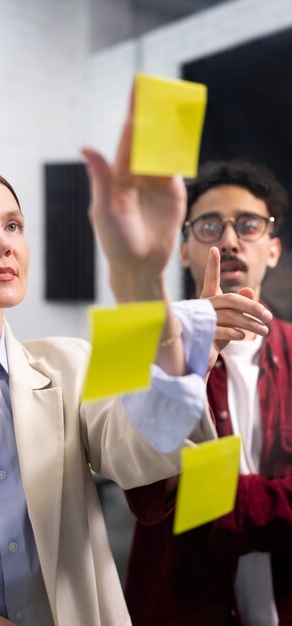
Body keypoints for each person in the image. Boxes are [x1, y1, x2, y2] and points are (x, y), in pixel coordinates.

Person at [0, 92, 271, 626]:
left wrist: (139, 282)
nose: (1, 243)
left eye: (12, 225)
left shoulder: (73, 364)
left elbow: (143, 457)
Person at [125, 160, 292, 626]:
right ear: (182, 250)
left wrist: (204, 490)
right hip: (180, 604)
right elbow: (142, 490)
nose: (230, 240)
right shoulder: (140, 343)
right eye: (209, 226)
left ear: (273, 249)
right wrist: (189, 355)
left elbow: (177, 489)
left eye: (249, 225)